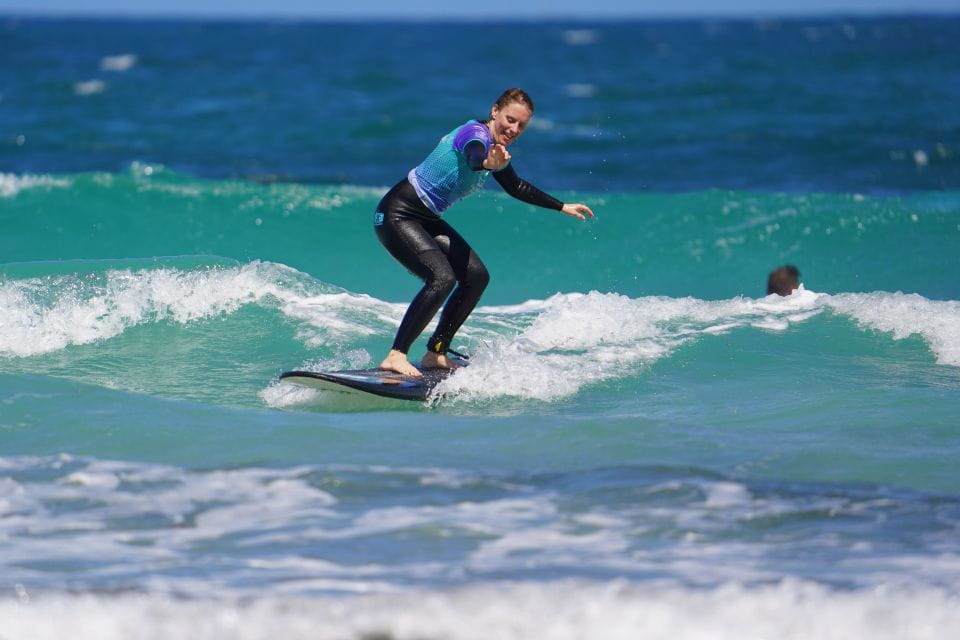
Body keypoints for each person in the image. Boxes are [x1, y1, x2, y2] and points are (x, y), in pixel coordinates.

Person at [374, 88, 594, 376]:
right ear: (495, 112)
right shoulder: (474, 134)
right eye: (510, 119)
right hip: (397, 216)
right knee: (442, 278)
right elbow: (475, 156)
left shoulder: (497, 150)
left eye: (521, 125)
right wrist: (487, 163)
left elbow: (516, 187)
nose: (514, 129)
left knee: (476, 276)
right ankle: (396, 355)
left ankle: (436, 352)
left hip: (425, 217)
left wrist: (561, 206)